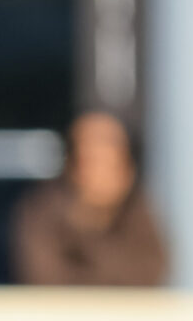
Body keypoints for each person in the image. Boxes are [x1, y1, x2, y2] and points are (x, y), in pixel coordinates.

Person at [11, 109, 167, 287]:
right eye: (90, 160)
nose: (98, 173)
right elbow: (43, 278)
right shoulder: (41, 212)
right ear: (71, 165)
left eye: (108, 162)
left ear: (127, 168)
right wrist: (84, 216)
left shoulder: (138, 212)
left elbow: (150, 272)